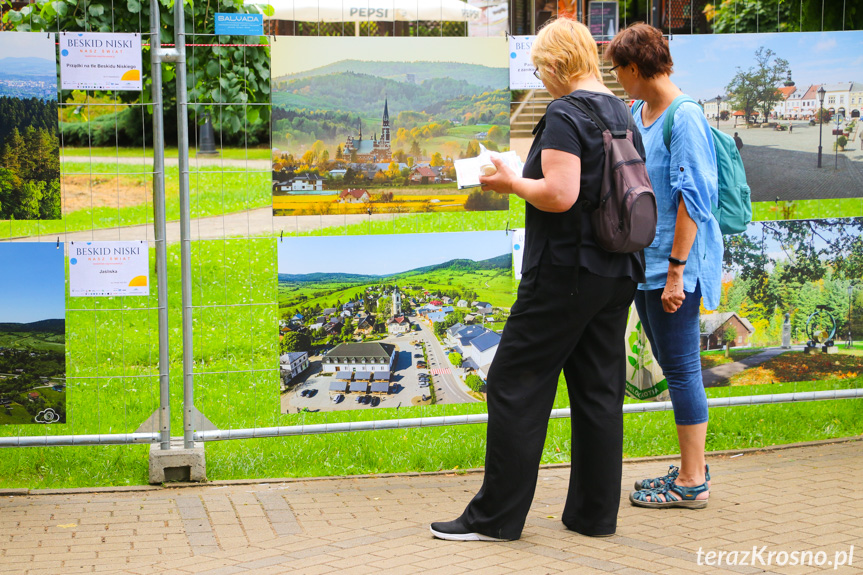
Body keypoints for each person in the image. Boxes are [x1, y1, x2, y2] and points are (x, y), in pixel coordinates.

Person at [430, 18, 646, 542]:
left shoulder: (565, 113)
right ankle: (594, 515)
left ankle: (495, 519)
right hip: (617, 268)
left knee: (514, 382)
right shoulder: (621, 111)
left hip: (565, 272)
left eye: (539, 69)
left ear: (555, 65)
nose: (539, 79)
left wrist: (510, 181)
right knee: (598, 390)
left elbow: (561, 194)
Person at [606, 23, 722, 509]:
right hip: (645, 265)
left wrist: (677, 272)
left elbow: (693, 201)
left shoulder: (684, 116)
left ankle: (693, 481)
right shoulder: (639, 111)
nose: (618, 81)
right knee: (676, 367)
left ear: (636, 68)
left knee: (681, 370)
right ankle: (691, 466)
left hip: (675, 268)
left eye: (619, 72)